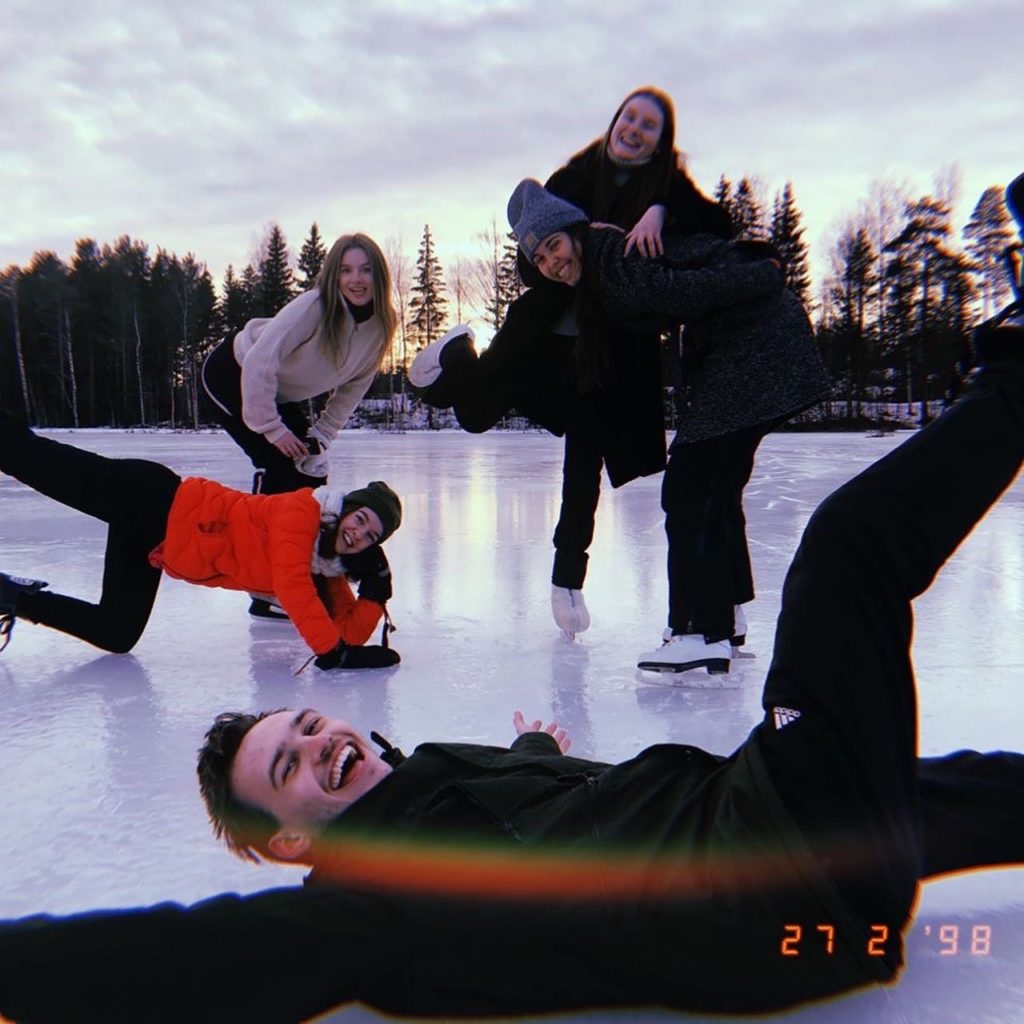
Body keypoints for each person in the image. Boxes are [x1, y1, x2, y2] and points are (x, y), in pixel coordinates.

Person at [0, 271, 1020, 1020]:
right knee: (843, 555)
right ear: (292, 843)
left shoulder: (431, 787)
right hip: (773, 864)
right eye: (292, 765)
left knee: (939, 787)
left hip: (768, 834)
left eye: (304, 727)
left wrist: (533, 750)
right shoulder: (372, 899)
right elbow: (189, 951)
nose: (317, 741)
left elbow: (507, 806)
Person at [412, 88, 732, 640]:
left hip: (605, 353)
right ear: (615, 120)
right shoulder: (573, 178)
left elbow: (718, 230)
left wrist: (661, 209)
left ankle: (566, 579)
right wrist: (564, 248)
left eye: (649, 125)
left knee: (584, 454)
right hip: (545, 335)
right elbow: (530, 258)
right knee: (474, 415)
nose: (634, 129)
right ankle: (454, 362)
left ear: (662, 140)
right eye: (629, 117)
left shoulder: (669, 189)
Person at [503, 178, 829, 674]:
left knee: (690, 486)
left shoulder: (609, 260)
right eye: (541, 259)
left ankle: (698, 630)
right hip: (758, 344)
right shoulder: (601, 270)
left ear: (572, 232)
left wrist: (763, 275)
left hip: (757, 343)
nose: (552, 262)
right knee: (712, 485)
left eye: (554, 246)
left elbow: (687, 290)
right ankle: (726, 622)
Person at [0, 411, 402, 668]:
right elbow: (290, 586)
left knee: (116, 633)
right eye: (361, 519)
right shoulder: (304, 511)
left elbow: (347, 635)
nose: (358, 533)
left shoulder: (326, 568)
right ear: (346, 507)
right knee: (33, 459)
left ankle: (11, 596)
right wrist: (332, 654)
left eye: (371, 536)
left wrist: (375, 593)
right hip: (152, 499)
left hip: (158, 543)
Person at [201, 233, 397, 618]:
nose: (356, 280)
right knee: (275, 465)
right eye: (346, 271)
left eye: (365, 270)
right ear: (333, 276)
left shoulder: (380, 327)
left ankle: (300, 568)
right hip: (231, 373)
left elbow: (353, 389)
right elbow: (260, 361)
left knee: (310, 474)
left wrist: (321, 435)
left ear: (379, 276)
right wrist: (271, 429)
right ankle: (262, 583)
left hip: (277, 395)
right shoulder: (316, 307)